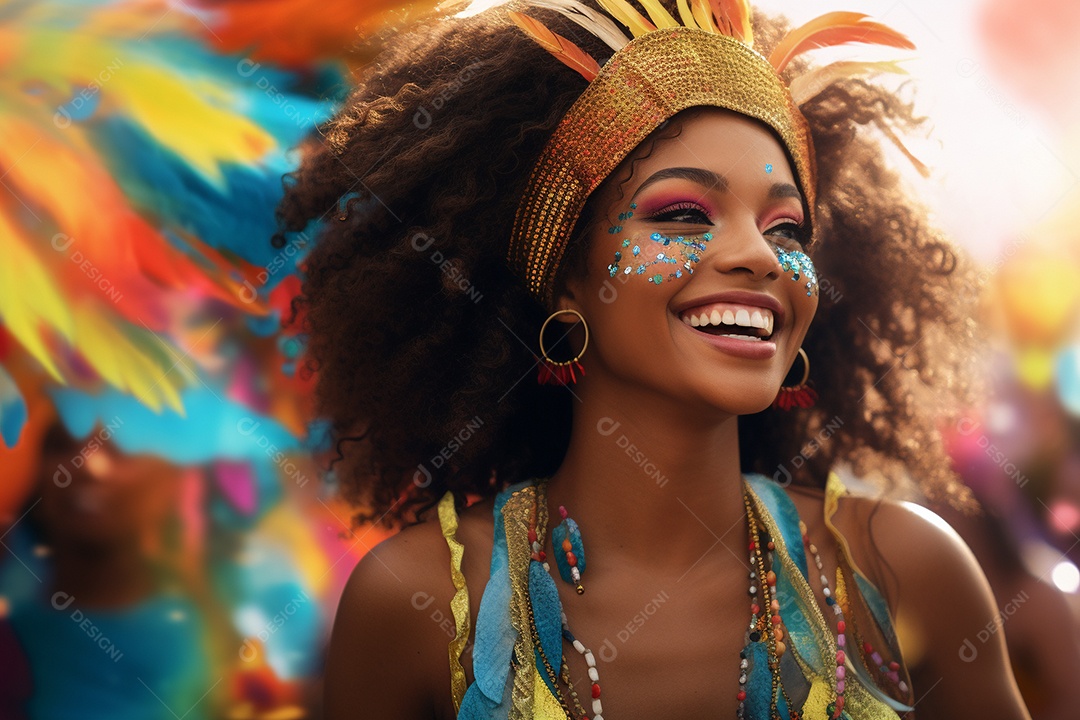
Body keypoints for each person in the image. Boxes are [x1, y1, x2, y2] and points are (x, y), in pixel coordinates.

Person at [273, 1, 1034, 717]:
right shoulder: (419, 603)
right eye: (682, 214)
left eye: (788, 229)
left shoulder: (900, 567)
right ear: (563, 275)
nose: (759, 257)